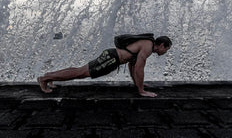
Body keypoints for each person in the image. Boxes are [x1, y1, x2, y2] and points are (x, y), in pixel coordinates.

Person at [37, 35, 172, 97]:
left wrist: (138, 83)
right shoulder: (147, 47)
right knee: (81, 73)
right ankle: (44, 80)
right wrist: (142, 91)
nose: (165, 52)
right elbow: (138, 69)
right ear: (161, 45)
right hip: (111, 59)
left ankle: (48, 76)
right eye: (166, 49)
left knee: (80, 70)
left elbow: (132, 66)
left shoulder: (146, 43)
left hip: (111, 55)